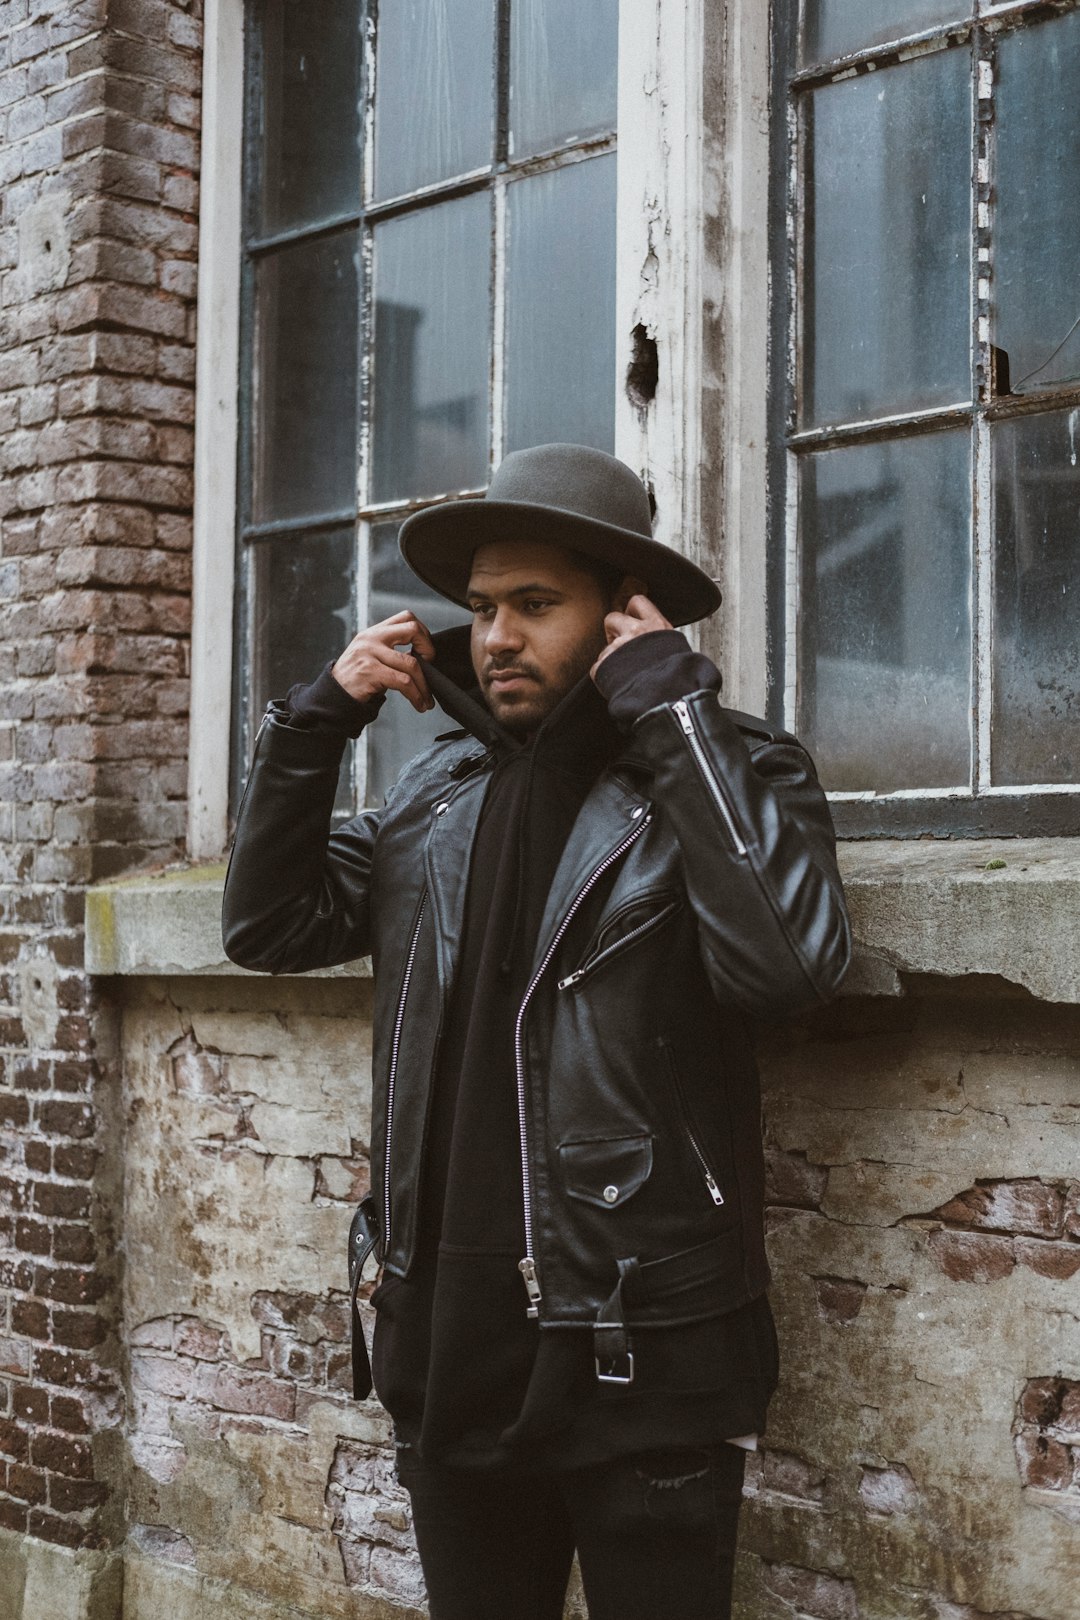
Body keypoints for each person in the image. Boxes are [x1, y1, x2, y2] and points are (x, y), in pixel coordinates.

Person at [222, 443, 850, 1620]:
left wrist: (672, 712)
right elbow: (270, 924)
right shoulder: (437, 797)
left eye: (534, 605)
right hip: (447, 1343)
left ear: (622, 613)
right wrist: (316, 727)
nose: (496, 637)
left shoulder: (732, 770)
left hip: (640, 1344)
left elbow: (788, 968)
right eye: (480, 609)